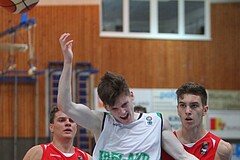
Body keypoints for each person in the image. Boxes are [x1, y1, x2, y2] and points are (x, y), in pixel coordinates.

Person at [57, 33, 199, 160]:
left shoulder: (157, 123)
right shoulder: (101, 122)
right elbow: (65, 106)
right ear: (106, 107)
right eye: (115, 109)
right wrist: (68, 62)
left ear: (131, 96)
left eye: (124, 105)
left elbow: (183, 156)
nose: (122, 112)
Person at [162, 82, 232, 160]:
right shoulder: (164, 144)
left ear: (204, 110)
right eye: (183, 105)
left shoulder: (221, 149)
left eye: (194, 105)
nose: (187, 111)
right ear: (178, 109)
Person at [23, 105, 92, 160]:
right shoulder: (38, 153)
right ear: (51, 127)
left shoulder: (86, 158)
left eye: (71, 120)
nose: (68, 123)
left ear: (76, 127)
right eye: (62, 120)